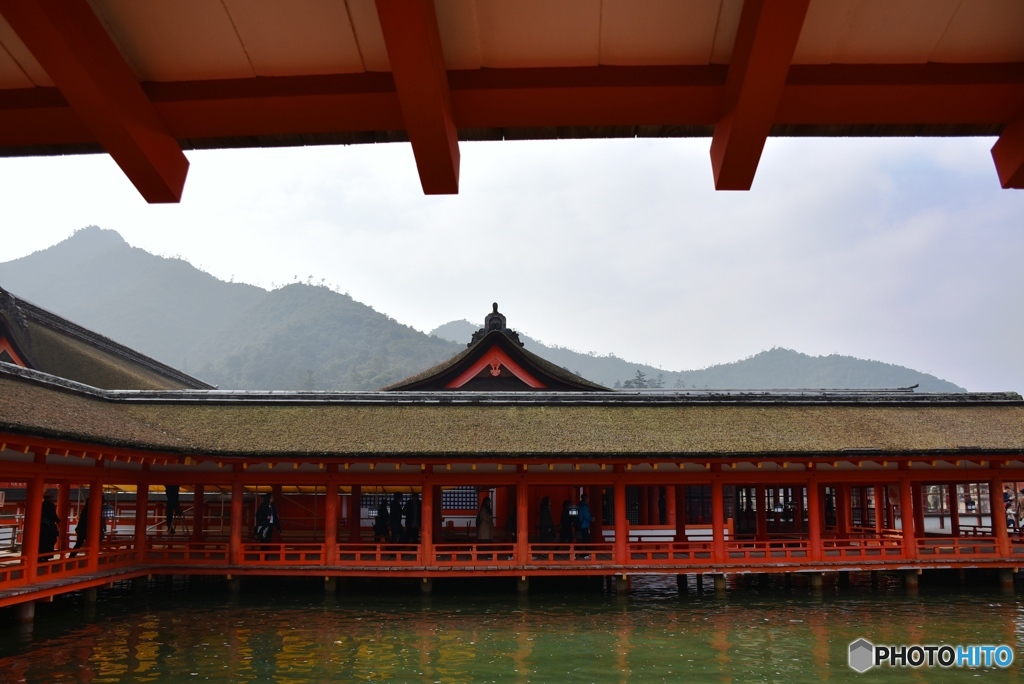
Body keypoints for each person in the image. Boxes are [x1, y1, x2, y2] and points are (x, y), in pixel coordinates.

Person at [38, 491, 61, 559]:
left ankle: (39, 556)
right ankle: (46, 556)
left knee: (41, 542)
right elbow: (53, 515)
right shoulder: (51, 505)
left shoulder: (41, 504)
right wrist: (58, 520)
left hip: (41, 525)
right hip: (49, 525)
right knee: (50, 541)